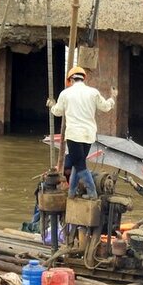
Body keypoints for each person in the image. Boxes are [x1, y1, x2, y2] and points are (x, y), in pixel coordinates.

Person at [47, 66, 116, 199]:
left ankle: (92, 193)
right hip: (89, 134)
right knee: (77, 163)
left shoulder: (65, 93)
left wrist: (51, 105)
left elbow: (57, 112)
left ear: (71, 80)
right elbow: (106, 107)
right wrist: (112, 97)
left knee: (80, 164)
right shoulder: (93, 92)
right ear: (83, 78)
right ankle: (71, 193)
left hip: (74, 134)